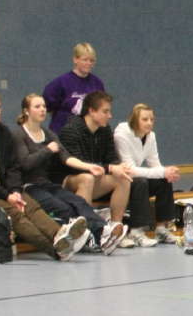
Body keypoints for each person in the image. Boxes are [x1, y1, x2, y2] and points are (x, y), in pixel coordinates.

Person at [0, 88, 86, 261]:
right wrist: (6, 196)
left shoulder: (2, 132)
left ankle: (60, 235)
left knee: (30, 205)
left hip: (2, 188)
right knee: (14, 212)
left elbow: (13, 166)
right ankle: (55, 250)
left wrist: (14, 190)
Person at [10, 93, 106, 250]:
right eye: (37, 106)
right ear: (26, 111)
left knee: (78, 202)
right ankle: (85, 237)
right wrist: (47, 150)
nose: (42, 109)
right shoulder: (18, 134)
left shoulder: (48, 133)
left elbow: (66, 157)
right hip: (28, 186)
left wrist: (88, 167)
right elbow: (25, 163)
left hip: (46, 184)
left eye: (44, 106)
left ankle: (103, 231)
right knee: (62, 207)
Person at [56, 90, 136, 253]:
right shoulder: (70, 130)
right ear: (91, 111)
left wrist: (119, 167)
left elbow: (111, 158)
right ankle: (87, 232)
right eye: (105, 111)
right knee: (86, 178)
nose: (110, 116)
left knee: (123, 178)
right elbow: (76, 165)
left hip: (95, 177)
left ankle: (115, 229)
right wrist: (109, 168)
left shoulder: (104, 130)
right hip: (67, 181)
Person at [113, 103, 182, 246]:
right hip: (120, 182)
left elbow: (155, 164)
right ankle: (136, 231)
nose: (149, 123)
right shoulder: (121, 135)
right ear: (134, 120)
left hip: (133, 178)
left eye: (152, 119)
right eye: (145, 119)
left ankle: (161, 228)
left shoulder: (151, 136)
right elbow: (129, 170)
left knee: (164, 180)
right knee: (140, 182)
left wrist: (168, 173)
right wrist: (162, 171)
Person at [42, 43, 106, 134]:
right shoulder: (60, 83)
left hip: (88, 133)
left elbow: (101, 109)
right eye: (85, 60)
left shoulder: (97, 84)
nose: (88, 63)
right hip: (63, 133)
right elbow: (47, 105)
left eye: (91, 60)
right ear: (75, 59)